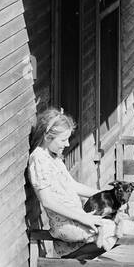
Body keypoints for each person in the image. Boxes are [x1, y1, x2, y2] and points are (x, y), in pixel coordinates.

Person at [27, 108, 119, 252]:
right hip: (66, 225)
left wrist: (109, 196)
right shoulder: (39, 160)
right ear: (47, 137)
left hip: (76, 217)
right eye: (63, 140)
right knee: (115, 228)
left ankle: (74, 263)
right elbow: (47, 201)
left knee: (118, 220)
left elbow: (73, 185)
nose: (68, 144)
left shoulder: (53, 157)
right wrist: (83, 218)